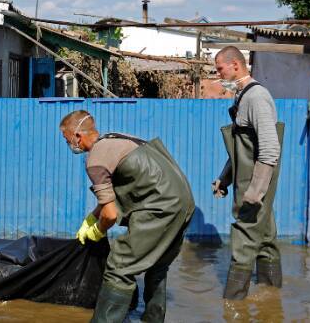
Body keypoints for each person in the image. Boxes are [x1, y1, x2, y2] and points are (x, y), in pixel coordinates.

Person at [61, 111, 195, 323]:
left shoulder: (95, 159)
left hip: (159, 206)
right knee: (157, 265)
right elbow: (110, 197)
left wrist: (97, 230)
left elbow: (110, 214)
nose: (68, 143)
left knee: (119, 267)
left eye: (66, 138)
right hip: (184, 202)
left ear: (77, 136)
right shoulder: (116, 139)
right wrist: (91, 218)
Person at [211, 46, 284, 300]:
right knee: (265, 239)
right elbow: (242, 147)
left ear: (235, 65)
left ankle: (232, 304)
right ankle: (271, 298)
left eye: (219, 68)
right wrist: (225, 176)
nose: (217, 73)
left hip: (254, 186)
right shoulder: (241, 97)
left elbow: (270, 149)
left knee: (243, 240)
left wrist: (255, 192)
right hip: (247, 181)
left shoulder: (256, 97)